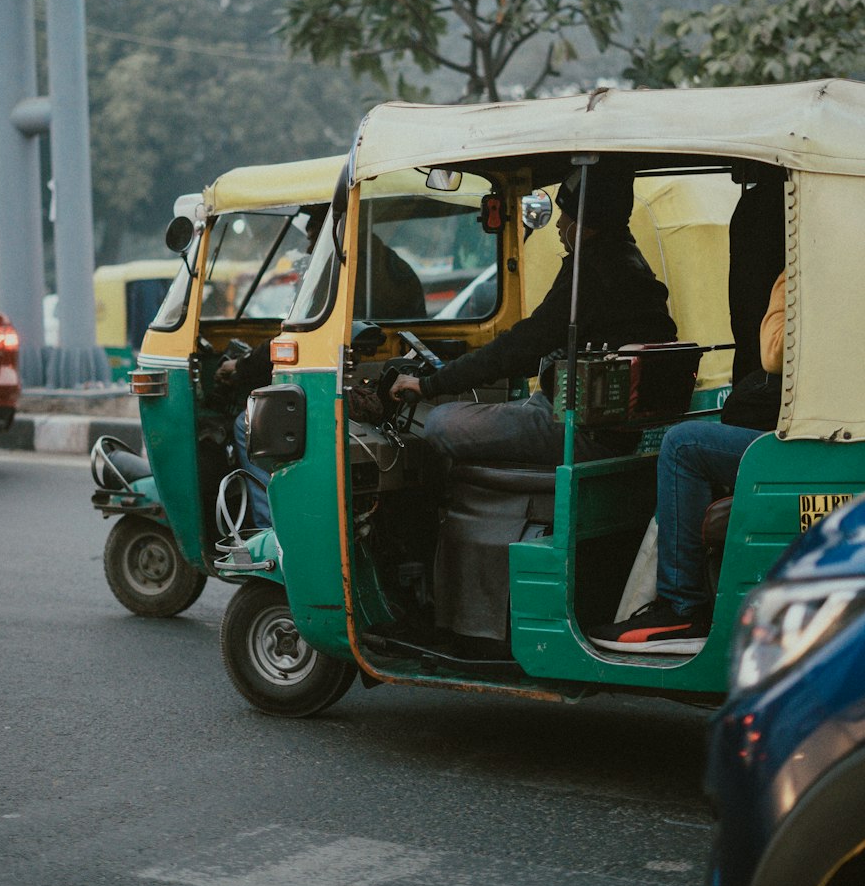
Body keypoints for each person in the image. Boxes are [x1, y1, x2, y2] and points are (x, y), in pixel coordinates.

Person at [389, 161, 677, 468]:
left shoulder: (592, 273)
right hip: (589, 423)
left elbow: (525, 343)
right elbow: (528, 351)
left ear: (581, 223)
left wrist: (429, 385)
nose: (556, 225)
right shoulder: (630, 262)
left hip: (579, 431)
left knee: (442, 422)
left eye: (563, 215)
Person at [589, 271, 785, 653]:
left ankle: (682, 607)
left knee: (683, 444)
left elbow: (774, 351)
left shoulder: (817, 268)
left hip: (821, 444)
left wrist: (789, 279)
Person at [216, 205, 328, 529]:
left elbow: (292, 336)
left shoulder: (333, 270)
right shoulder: (374, 261)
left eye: (312, 238)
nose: (308, 248)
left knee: (248, 423)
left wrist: (240, 365)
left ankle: (272, 530)